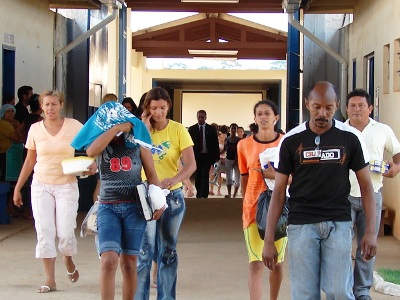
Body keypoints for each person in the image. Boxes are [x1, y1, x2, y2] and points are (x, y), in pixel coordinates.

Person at [262, 81, 377, 300]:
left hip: (339, 224)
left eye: (328, 108)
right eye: (316, 107)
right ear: (307, 104)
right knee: (305, 294)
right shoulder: (291, 141)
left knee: (339, 291)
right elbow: (278, 193)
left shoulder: (349, 138)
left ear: (337, 105)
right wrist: (269, 240)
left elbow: (366, 187)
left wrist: (370, 231)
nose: (322, 113)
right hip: (301, 225)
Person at [13, 90, 96, 293]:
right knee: (45, 232)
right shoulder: (35, 129)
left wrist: (92, 163)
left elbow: (93, 144)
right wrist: (17, 187)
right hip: (41, 185)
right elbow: (30, 160)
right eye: (46, 104)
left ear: (61, 105)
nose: (50, 108)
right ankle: (50, 280)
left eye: (54, 104)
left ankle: (68, 259)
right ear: (41, 106)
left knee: (66, 232)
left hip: (66, 185)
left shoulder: (74, 126)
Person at [83, 101, 162, 300]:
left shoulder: (138, 141)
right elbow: (91, 152)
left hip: (134, 208)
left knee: (129, 264)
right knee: (108, 260)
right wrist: (115, 129)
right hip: (108, 208)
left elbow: (151, 173)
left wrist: (160, 201)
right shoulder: (101, 142)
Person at [135, 86, 196, 300]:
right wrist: (142, 127)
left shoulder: (179, 130)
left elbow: (190, 165)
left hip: (172, 197)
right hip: (144, 197)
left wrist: (176, 180)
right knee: (144, 252)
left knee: (167, 251)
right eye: (154, 108)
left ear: (168, 106)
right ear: (147, 109)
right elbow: (132, 158)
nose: (158, 112)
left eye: (162, 108)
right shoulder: (139, 130)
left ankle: (166, 297)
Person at [345, 89, 400, 300]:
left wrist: (396, 167)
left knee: (367, 246)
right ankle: (345, 288)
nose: (357, 109)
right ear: (346, 109)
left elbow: (397, 152)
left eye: (361, 106)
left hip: (372, 197)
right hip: (343, 197)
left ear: (370, 108)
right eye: (353, 106)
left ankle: (361, 291)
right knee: (341, 246)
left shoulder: (382, 130)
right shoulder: (339, 130)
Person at [237, 100, 287, 300]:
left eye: (268, 113)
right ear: (255, 118)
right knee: (256, 262)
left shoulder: (287, 142)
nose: (263, 117)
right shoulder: (244, 145)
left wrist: (273, 175)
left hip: (282, 209)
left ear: (276, 117)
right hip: (253, 210)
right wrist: (246, 201)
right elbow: (244, 176)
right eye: (259, 114)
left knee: (276, 262)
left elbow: (296, 178)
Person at [188, 110, 219, 198]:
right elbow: (189, 144)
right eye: (199, 117)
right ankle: (199, 192)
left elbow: (215, 143)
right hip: (196, 156)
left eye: (202, 117)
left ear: (206, 117)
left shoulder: (211, 129)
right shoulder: (192, 129)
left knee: (205, 175)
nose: (200, 119)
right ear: (197, 117)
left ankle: (204, 194)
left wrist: (216, 157)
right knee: (198, 175)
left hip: (207, 156)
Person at [0, 104, 21, 181]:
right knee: (6, 180)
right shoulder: (4, 124)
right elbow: (18, 138)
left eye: (12, 111)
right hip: (6, 156)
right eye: (7, 111)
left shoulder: (9, 124)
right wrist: (18, 126)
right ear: (2, 113)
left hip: (10, 156)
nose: (10, 113)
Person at [209, 124, 228, 196]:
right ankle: (213, 190)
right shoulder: (217, 137)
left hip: (222, 159)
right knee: (214, 174)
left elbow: (226, 149)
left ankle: (216, 190)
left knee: (218, 175)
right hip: (216, 158)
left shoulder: (225, 138)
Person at [224, 123, 241, 198]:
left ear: (237, 130)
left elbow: (240, 152)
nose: (233, 130)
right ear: (229, 130)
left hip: (237, 161)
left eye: (235, 128)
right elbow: (225, 150)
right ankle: (229, 193)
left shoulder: (239, 140)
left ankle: (234, 194)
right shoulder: (226, 139)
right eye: (232, 128)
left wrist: (237, 161)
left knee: (237, 177)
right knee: (229, 177)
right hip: (228, 160)